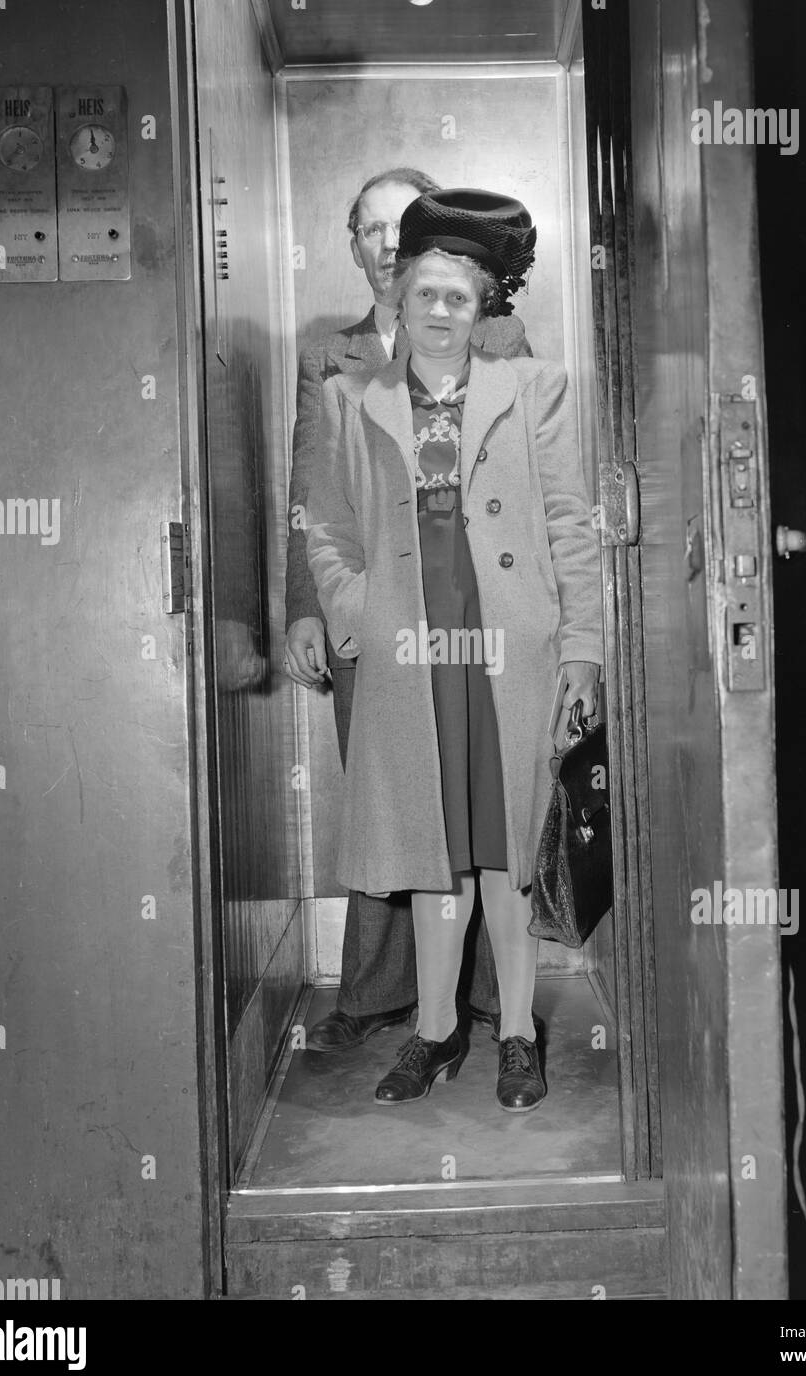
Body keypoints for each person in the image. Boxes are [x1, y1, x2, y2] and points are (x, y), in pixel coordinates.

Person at [306, 189, 603, 1111]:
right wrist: (365, 614)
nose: (439, 312)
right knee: (433, 857)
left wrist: (582, 650)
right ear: (399, 296)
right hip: (412, 658)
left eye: (459, 299)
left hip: (508, 654)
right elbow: (325, 527)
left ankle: (515, 1033)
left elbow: (570, 524)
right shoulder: (349, 399)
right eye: (425, 293)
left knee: (507, 853)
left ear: (482, 311)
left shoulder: (537, 391)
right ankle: (434, 1034)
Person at [283, 168, 532, 1054]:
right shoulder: (335, 357)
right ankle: (380, 991)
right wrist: (317, 609)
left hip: (477, 610)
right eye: (369, 229)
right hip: (381, 614)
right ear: (353, 245)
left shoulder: (497, 338)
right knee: (391, 799)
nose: (386, 244)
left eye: (402, 227)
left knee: (485, 805)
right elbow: (313, 498)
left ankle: (502, 1006)